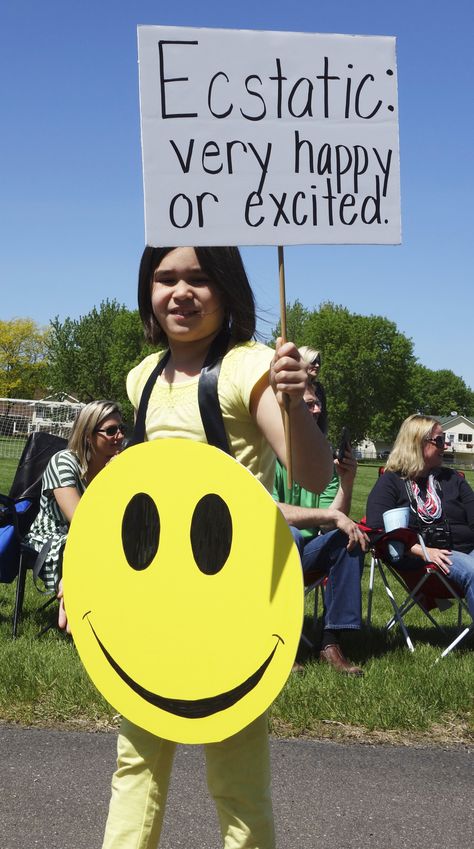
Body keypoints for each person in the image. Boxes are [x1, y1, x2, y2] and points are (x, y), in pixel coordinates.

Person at [96, 245, 333, 849]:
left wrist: (296, 402)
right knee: (136, 766)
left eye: (199, 278)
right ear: (147, 289)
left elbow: (311, 472)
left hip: (233, 606)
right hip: (153, 603)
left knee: (236, 778)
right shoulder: (142, 377)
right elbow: (130, 503)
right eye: (165, 278)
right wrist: (87, 577)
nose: (181, 292)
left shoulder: (248, 368)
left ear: (227, 289)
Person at [273, 379, 369, 676]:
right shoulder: (266, 450)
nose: (314, 410)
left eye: (316, 404)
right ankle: (277, 641)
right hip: (265, 553)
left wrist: (346, 482)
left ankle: (331, 640)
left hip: (306, 553)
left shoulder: (321, 456)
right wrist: (331, 518)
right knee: (286, 533)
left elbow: (332, 517)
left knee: (347, 535)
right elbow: (270, 510)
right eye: (306, 403)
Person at [366, 414, 474, 622]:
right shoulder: (391, 482)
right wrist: (423, 551)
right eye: (440, 441)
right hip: (426, 562)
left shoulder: (453, 479)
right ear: (418, 443)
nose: (446, 446)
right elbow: (376, 531)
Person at [25, 400, 124, 592]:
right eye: (111, 431)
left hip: (96, 535)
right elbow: (80, 520)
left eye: (121, 428)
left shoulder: (116, 466)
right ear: (88, 435)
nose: (119, 436)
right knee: (101, 550)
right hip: (54, 538)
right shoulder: (63, 462)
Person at [298, 345, 327, 435]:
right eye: (313, 362)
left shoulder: (319, 389)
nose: (317, 365)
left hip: (316, 438)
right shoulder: (294, 387)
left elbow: (323, 418)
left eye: (319, 362)